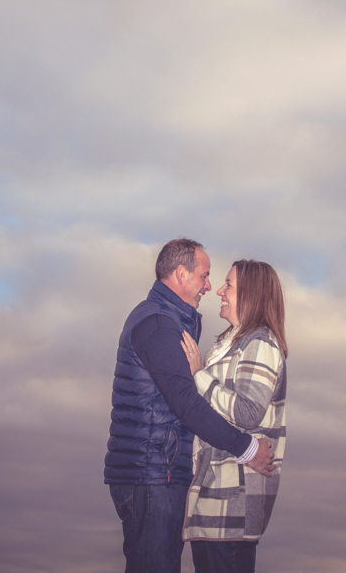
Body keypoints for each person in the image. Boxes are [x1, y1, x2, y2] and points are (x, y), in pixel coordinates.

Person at [105, 238, 275, 573]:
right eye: (205, 275)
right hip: (153, 474)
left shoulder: (166, 321)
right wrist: (247, 448)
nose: (210, 287)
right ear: (181, 275)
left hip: (155, 473)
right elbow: (185, 403)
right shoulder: (159, 324)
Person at [179, 259, 288, 573]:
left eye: (229, 285)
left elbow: (248, 412)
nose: (220, 292)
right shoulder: (230, 343)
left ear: (251, 295)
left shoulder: (261, 343)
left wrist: (199, 375)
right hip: (213, 496)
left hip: (234, 503)